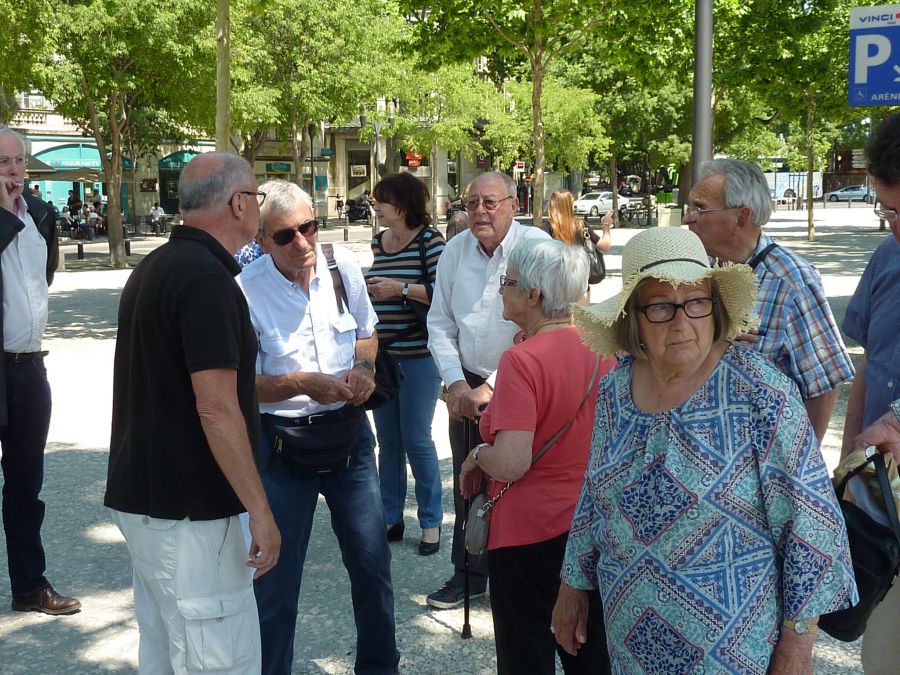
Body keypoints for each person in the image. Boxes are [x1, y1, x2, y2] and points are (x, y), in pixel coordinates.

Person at [552, 227, 857, 672]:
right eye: (660, 306)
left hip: (731, 646)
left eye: (696, 302)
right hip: (630, 634)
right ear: (633, 318)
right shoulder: (615, 389)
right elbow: (594, 495)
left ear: (715, 308)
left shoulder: (760, 392)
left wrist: (798, 645)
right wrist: (571, 585)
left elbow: (812, 527)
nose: (682, 321)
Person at [105, 152, 281, 673]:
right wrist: (261, 512)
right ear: (239, 203)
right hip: (191, 512)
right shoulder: (206, 280)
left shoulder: (158, 265)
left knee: (167, 647)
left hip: (154, 502)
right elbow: (216, 407)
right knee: (217, 659)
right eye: (258, 197)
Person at [238, 180, 399, 675]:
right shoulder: (244, 291)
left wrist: (365, 371)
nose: (302, 242)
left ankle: (379, 668)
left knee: (372, 569)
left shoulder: (341, 267)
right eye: (286, 236)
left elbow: (368, 334)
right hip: (283, 450)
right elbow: (243, 385)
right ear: (263, 241)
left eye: (308, 227)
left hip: (349, 440)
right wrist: (301, 384)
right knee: (275, 583)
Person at [458, 238, 614, 674]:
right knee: (588, 648)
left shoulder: (522, 360)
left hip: (529, 533)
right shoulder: (605, 351)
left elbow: (510, 462)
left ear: (534, 296)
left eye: (507, 283)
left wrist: (476, 454)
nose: (501, 291)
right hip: (592, 525)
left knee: (526, 652)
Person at [426, 171, 549, 608]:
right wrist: (457, 383)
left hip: (525, 380)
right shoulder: (454, 251)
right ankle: (469, 573)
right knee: (468, 481)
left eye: (490, 202)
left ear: (514, 205)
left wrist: (494, 386)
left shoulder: (535, 248)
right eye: (472, 202)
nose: (479, 210)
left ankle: (521, 579)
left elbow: (551, 323)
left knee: (522, 480)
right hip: (465, 382)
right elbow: (439, 323)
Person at [685, 158, 854, 442]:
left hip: (760, 462)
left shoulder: (790, 280)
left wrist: (798, 468)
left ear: (741, 217)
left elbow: (823, 386)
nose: (688, 218)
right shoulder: (694, 269)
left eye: (700, 208)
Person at [0, 127, 76, 616]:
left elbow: (42, 281)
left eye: (18, 162)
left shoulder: (42, 217)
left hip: (29, 369)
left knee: (26, 487)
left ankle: (30, 586)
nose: (12, 172)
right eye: (2, 164)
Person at [839, 110, 900, 674]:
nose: (895, 225)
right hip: (885, 515)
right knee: (884, 658)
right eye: (887, 211)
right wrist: (846, 467)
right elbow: (867, 365)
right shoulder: (888, 259)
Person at [366, 173, 446, 555]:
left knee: (417, 439)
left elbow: (443, 294)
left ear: (402, 204)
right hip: (384, 356)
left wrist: (396, 288)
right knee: (389, 442)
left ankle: (431, 522)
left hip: (419, 357)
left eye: (381, 200)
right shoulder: (378, 241)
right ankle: (390, 516)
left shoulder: (430, 242)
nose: (375, 206)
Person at [539, 188, 611, 254]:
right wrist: (606, 226)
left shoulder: (547, 227)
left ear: (552, 205)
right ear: (570, 206)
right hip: (580, 267)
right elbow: (605, 246)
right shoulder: (581, 225)